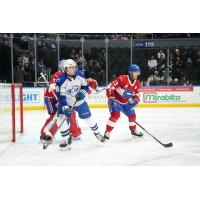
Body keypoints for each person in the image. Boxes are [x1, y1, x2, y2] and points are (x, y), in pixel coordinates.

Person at [56, 59, 105, 149]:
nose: (74, 69)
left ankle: (97, 133)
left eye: (74, 67)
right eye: (71, 67)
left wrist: (82, 92)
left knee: (88, 118)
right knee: (60, 118)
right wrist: (65, 107)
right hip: (67, 102)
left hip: (80, 102)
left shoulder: (79, 74)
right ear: (66, 69)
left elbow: (85, 86)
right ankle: (66, 140)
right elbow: (61, 97)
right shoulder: (60, 81)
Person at [104, 64, 143, 140]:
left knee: (132, 114)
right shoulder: (122, 78)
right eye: (135, 72)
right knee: (116, 115)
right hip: (115, 100)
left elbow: (137, 95)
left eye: (138, 72)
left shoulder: (137, 83)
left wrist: (135, 100)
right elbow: (110, 86)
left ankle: (133, 130)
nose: (137, 74)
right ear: (130, 72)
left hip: (126, 102)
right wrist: (111, 96)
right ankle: (107, 132)